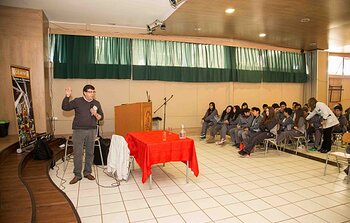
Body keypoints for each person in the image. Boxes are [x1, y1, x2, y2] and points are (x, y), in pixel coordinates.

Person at [62, 85, 104, 184]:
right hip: (78, 130)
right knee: (78, 153)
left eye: (93, 92)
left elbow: (101, 117)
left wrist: (95, 114)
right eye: (90, 92)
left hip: (92, 130)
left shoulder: (96, 103)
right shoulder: (77, 101)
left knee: (90, 152)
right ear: (84, 92)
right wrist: (67, 96)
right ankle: (77, 175)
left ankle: (87, 172)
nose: (92, 94)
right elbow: (65, 107)